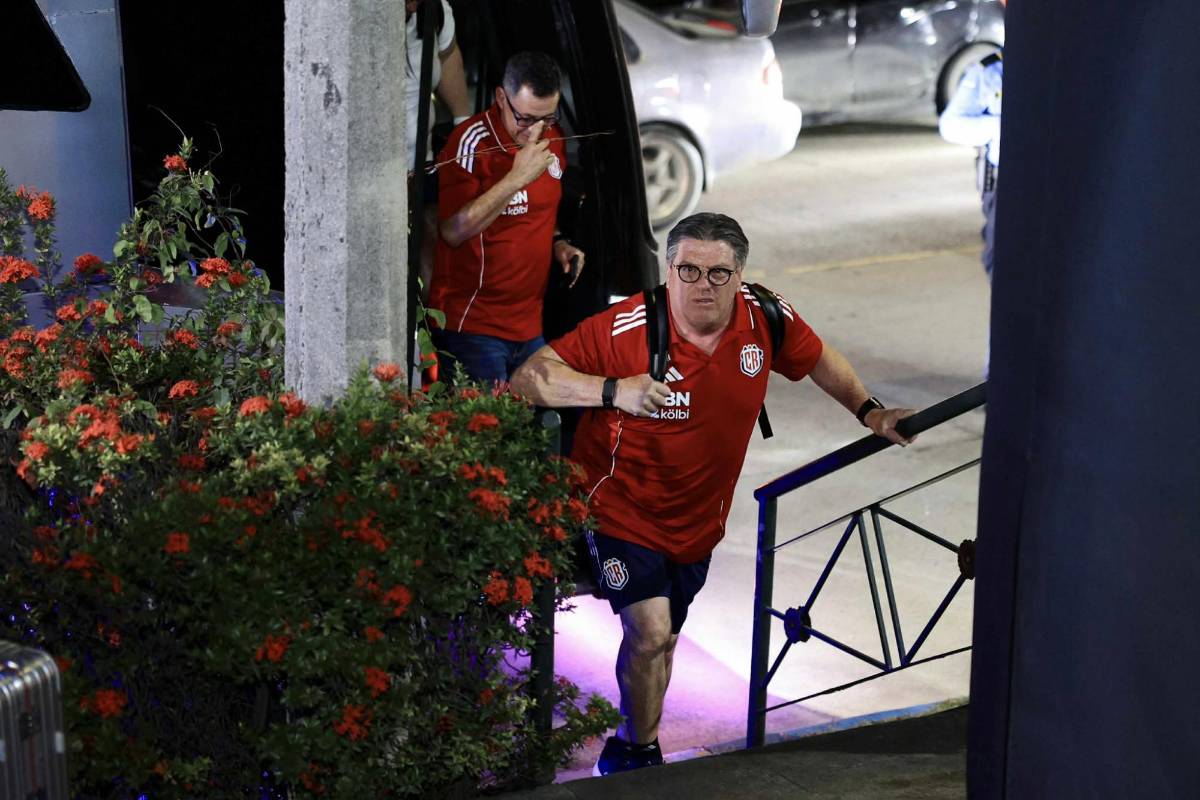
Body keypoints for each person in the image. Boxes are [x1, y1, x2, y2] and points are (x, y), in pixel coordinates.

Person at [510, 212, 915, 775]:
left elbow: (818, 358)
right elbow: (527, 378)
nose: (703, 284)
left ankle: (633, 742)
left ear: (739, 274)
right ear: (669, 270)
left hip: (699, 523)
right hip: (618, 510)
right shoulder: (627, 330)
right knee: (650, 633)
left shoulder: (765, 317)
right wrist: (611, 391)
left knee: (665, 640)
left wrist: (868, 410)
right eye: (690, 270)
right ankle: (635, 756)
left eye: (719, 273)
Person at [429, 51, 585, 383]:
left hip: (529, 323)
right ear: (501, 97)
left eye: (548, 118)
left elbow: (540, 210)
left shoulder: (551, 140)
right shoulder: (471, 143)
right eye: (525, 119)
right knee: (484, 430)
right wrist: (516, 179)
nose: (536, 131)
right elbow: (453, 231)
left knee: (533, 430)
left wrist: (558, 242)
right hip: (473, 325)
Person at [939, 38, 1003, 280]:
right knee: (1000, 262)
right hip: (1004, 186)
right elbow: (951, 125)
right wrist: (1000, 126)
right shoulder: (990, 70)